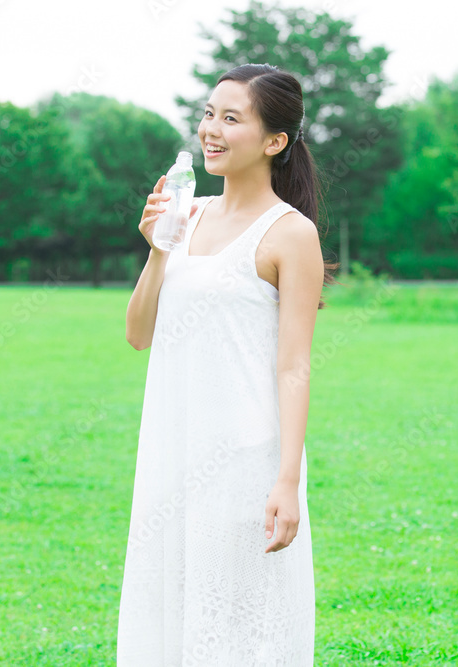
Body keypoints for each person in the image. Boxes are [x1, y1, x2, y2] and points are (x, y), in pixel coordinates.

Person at [118, 63, 338, 666]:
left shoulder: (290, 234)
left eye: (231, 118)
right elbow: (139, 335)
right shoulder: (186, 217)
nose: (210, 130)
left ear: (275, 142)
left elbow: (294, 364)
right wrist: (159, 251)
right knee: (174, 613)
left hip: (245, 459)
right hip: (173, 452)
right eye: (209, 114)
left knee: (242, 624)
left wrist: (288, 479)